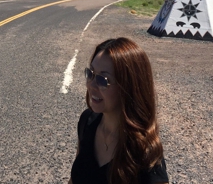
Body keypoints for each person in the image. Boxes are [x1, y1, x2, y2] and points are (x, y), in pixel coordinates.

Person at [70, 37, 169, 184]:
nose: (91, 85)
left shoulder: (144, 152)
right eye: (90, 74)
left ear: (127, 87)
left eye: (103, 80)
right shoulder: (87, 121)